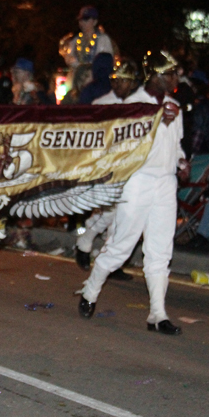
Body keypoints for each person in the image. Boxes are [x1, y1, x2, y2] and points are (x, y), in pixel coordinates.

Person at [75, 50, 187, 335]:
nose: (175, 78)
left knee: (160, 250)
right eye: (171, 73)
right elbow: (122, 146)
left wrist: (181, 160)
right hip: (138, 181)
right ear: (157, 76)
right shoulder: (134, 105)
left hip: (165, 183)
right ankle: (90, 291)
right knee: (121, 245)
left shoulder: (175, 105)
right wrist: (156, 120)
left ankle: (157, 314)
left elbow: (176, 146)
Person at [75, 59, 139, 279]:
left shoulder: (138, 104)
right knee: (109, 211)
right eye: (115, 80)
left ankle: (108, 260)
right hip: (107, 166)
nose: (117, 85)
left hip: (130, 165)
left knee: (122, 214)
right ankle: (86, 243)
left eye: (123, 81)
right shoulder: (102, 104)